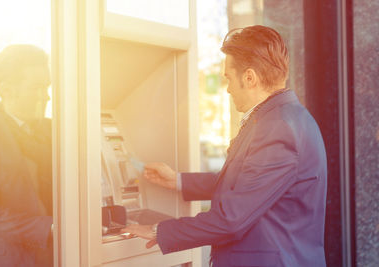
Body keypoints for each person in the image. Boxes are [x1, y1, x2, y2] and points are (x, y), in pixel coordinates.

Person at [122, 25, 327, 267]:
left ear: (249, 78)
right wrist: (178, 181)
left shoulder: (277, 127)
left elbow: (231, 220)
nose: (228, 89)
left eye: (228, 78)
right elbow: (247, 185)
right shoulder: (286, 118)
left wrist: (158, 231)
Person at [0, 44, 53, 266]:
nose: (46, 97)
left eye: (47, 87)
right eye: (38, 88)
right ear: (7, 89)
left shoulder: (58, 131)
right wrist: (46, 228)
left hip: (62, 256)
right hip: (8, 259)